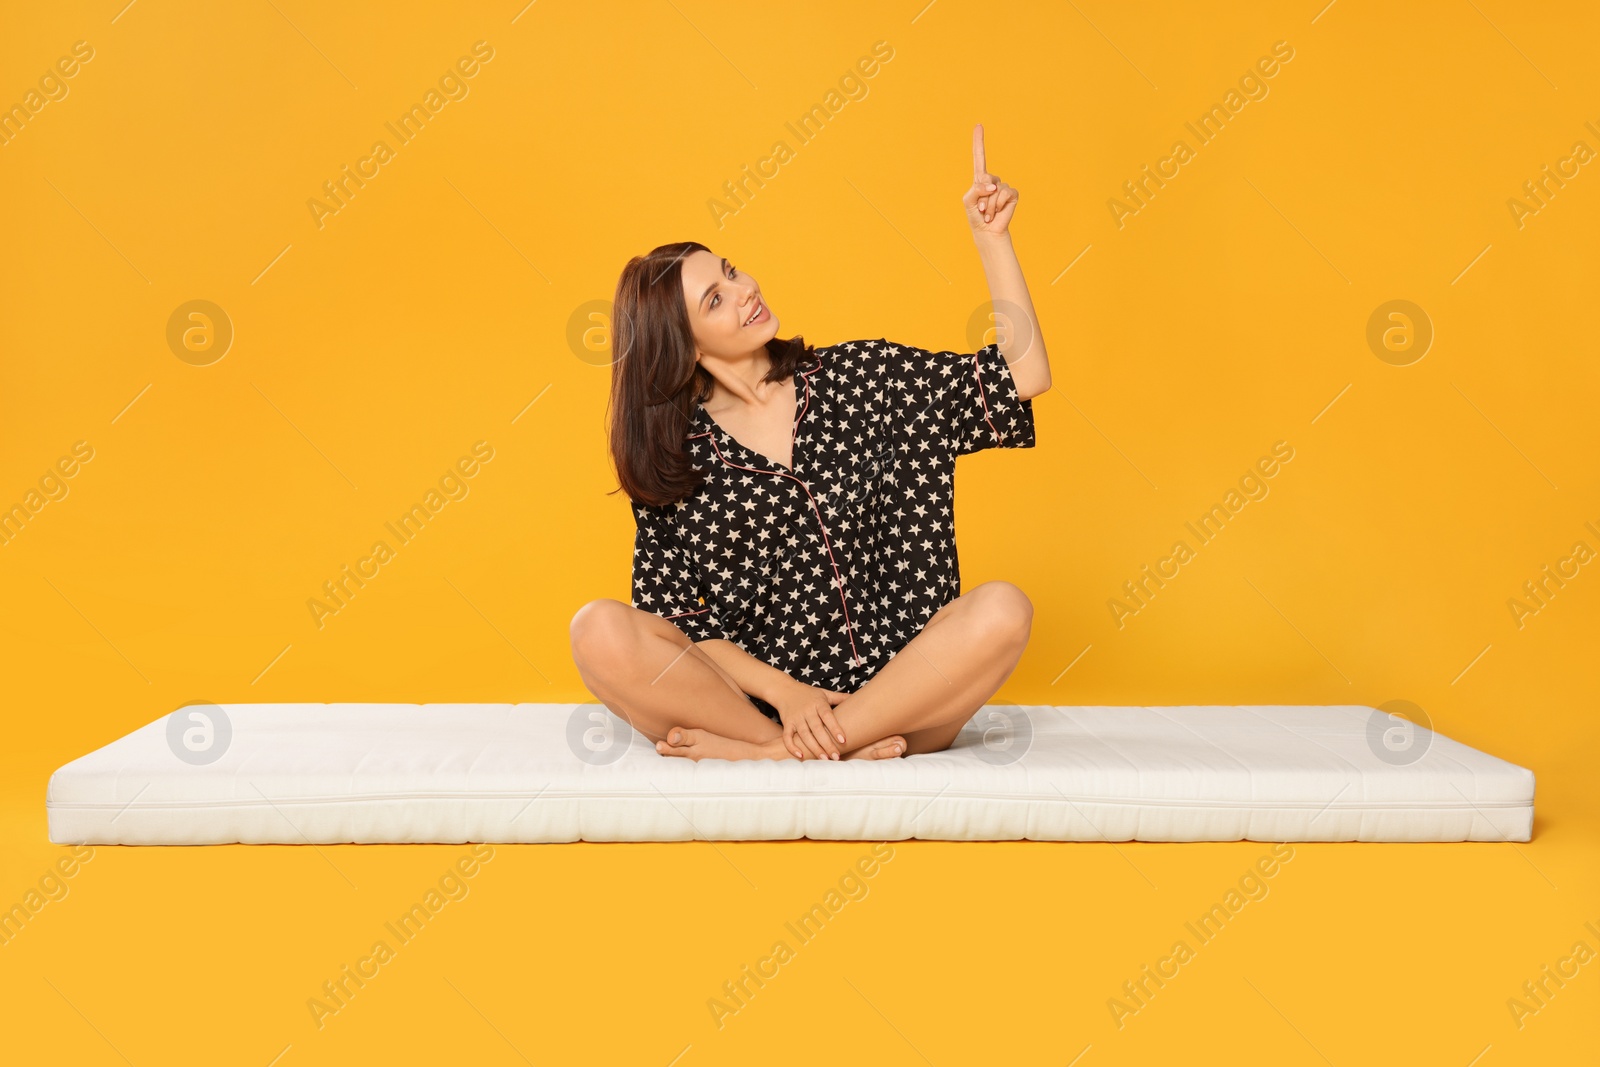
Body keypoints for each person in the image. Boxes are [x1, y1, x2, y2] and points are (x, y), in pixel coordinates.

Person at [570, 124, 1052, 762]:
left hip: (905, 706)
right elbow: (684, 629)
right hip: (764, 710)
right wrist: (788, 696)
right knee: (597, 629)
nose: (746, 292)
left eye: (732, 272)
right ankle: (800, 749)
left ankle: (780, 757)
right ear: (684, 346)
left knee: (1003, 610)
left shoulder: (865, 378)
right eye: (717, 298)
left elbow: (1023, 377)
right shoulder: (677, 461)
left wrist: (992, 240)